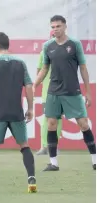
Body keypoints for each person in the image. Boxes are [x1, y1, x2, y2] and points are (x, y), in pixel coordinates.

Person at [34, 15, 96, 171]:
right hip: (53, 92)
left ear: (65, 27)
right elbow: (45, 68)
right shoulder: (48, 46)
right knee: (51, 124)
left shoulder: (75, 44)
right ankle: (53, 163)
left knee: (83, 123)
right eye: (53, 27)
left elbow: (82, 68)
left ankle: (95, 160)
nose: (55, 29)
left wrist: (88, 92)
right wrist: (34, 84)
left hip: (72, 91)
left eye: (58, 26)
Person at [0, 32, 36, 194]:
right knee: (24, 146)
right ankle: (31, 179)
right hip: (16, 112)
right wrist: (30, 108)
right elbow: (29, 86)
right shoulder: (20, 63)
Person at [36, 31, 62, 155]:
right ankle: (44, 146)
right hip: (47, 92)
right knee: (47, 119)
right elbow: (39, 72)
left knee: (58, 120)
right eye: (52, 37)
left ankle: (55, 146)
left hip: (61, 91)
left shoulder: (64, 53)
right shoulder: (43, 53)